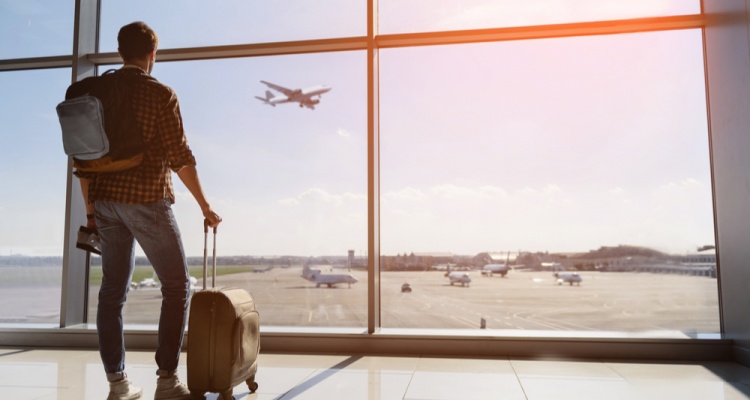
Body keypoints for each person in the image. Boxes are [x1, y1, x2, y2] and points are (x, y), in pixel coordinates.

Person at [75, 21, 221, 400]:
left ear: (121, 51)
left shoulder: (96, 92)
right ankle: (167, 381)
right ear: (152, 55)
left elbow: (84, 161)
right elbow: (180, 158)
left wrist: (91, 212)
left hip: (105, 202)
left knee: (112, 293)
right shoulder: (161, 94)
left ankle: (118, 384)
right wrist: (205, 205)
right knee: (177, 286)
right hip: (146, 199)